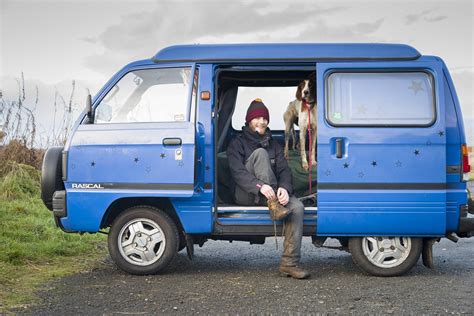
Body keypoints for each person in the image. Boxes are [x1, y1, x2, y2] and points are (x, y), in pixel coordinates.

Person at [227, 98, 310, 279]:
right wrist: (260, 186)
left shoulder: (275, 145)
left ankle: (289, 263)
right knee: (260, 154)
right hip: (247, 194)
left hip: (274, 196)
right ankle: (273, 204)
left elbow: (284, 171)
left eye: (264, 118)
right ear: (249, 120)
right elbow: (238, 173)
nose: (261, 121)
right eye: (257, 118)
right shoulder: (237, 143)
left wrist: (285, 189)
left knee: (297, 208)